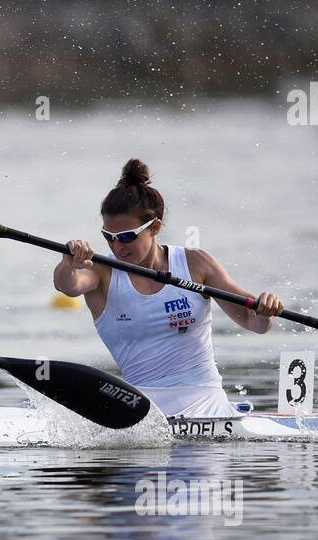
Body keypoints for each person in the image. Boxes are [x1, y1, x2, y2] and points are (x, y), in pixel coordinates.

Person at [53, 158, 284, 417]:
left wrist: (265, 310)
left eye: (127, 236)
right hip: (144, 413)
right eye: (109, 237)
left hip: (207, 405)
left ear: (154, 227)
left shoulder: (196, 263)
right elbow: (67, 285)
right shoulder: (101, 272)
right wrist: (68, 263)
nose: (117, 247)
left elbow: (255, 324)